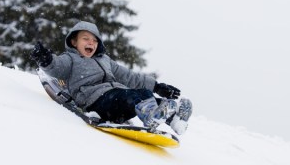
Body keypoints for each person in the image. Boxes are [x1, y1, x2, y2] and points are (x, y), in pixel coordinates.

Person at [30, 20, 192, 134]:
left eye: (94, 40)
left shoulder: (105, 60)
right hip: (95, 101)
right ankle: (150, 116)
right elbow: (56, 68)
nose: (91, 43)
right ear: (74, 42)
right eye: (85, 39)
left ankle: (174, 119)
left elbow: (129, 76)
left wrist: (157, 87)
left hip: (117, 99)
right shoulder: (70, 59)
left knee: (143, 94)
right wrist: (46, 60)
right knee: (131, 97)